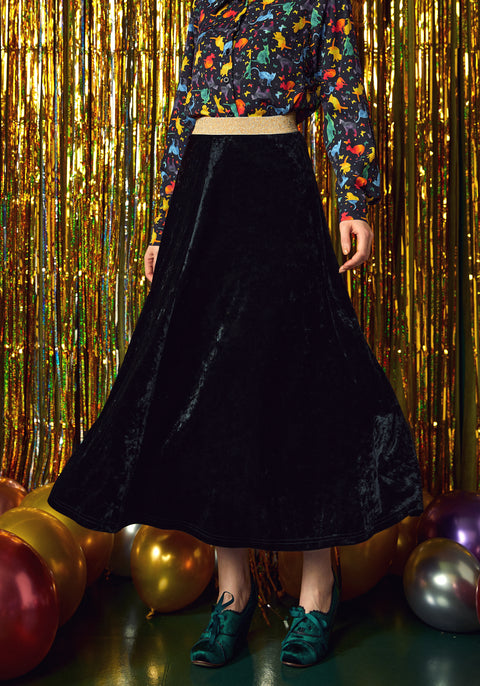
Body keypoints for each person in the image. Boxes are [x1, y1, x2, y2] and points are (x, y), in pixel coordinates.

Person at [48, 0, 424, 669]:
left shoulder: (320, 5)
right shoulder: (207, 9)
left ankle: (316, 592)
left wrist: (355, 201)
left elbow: (343, 94)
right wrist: (163, 225)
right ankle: (233, 593)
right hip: (204, 202)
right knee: (214, 393)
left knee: (302, 384)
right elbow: (181, 115)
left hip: (277, 192)